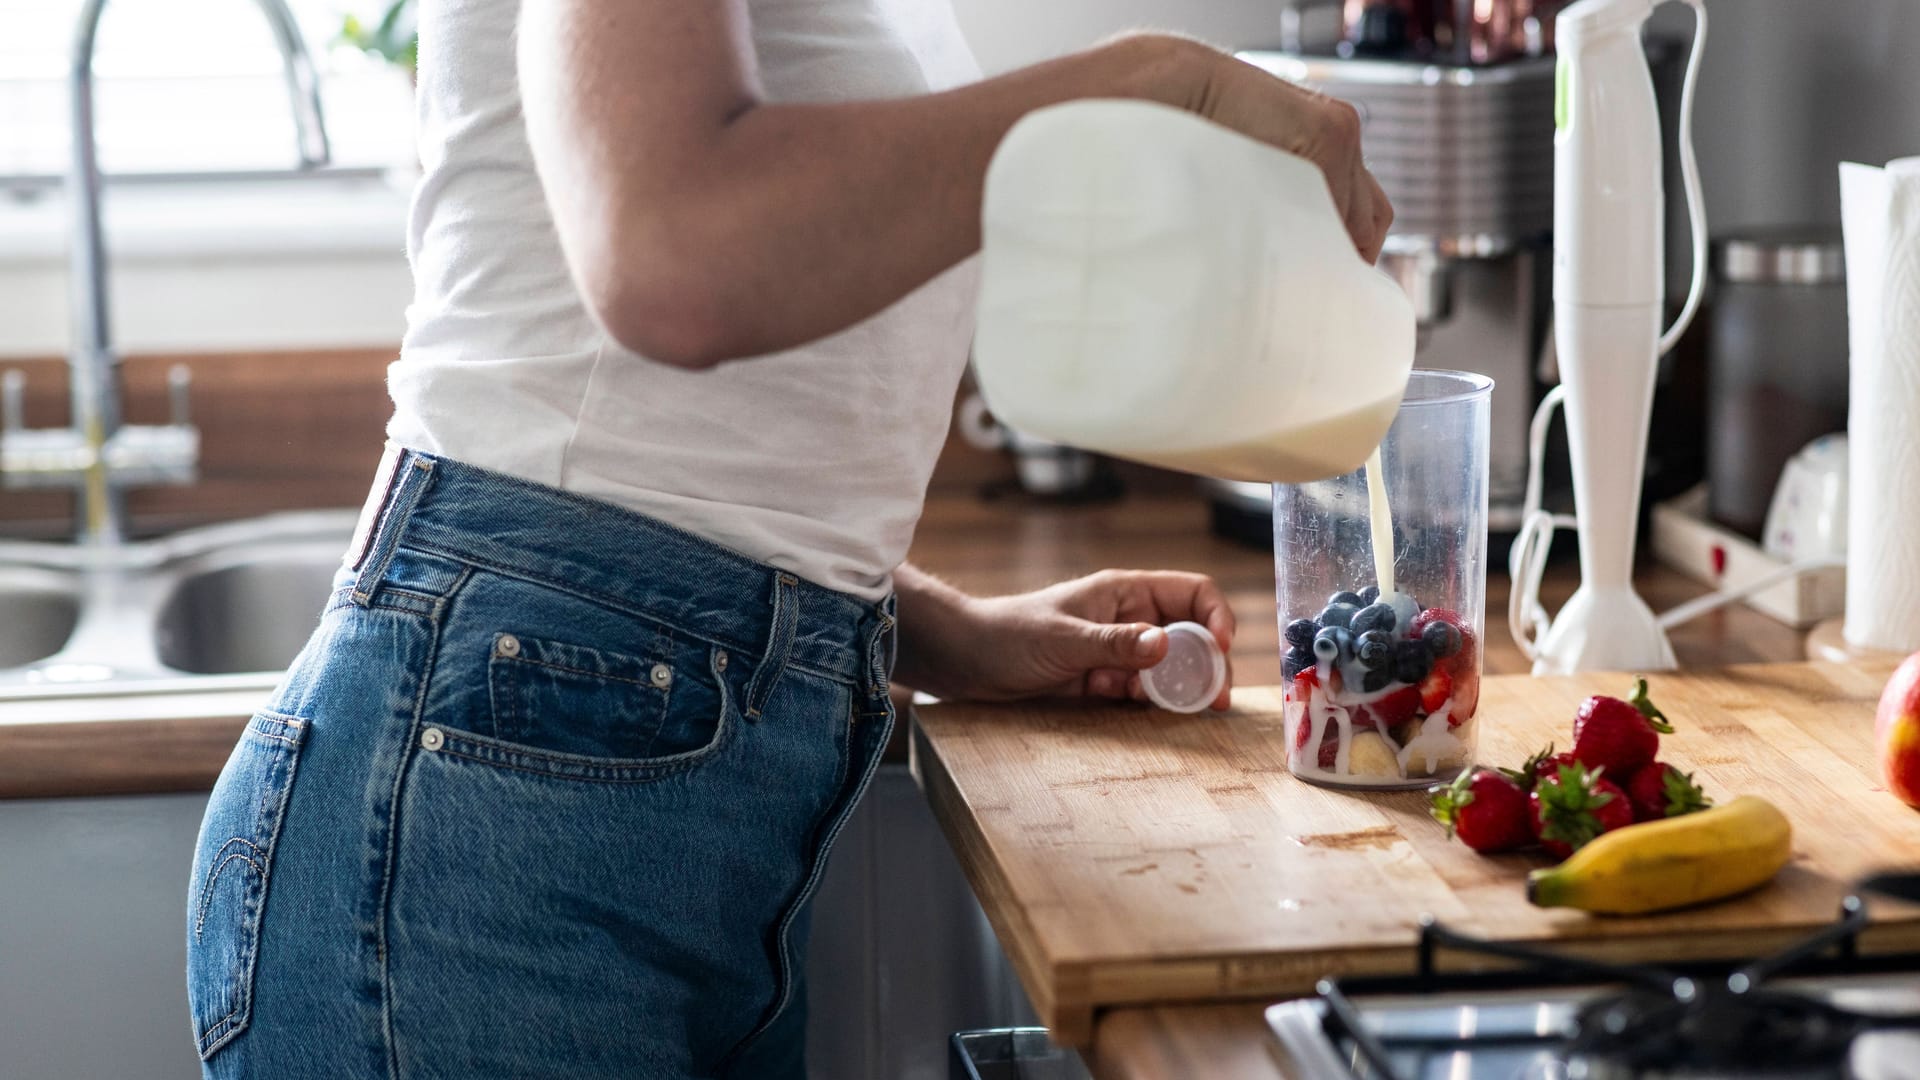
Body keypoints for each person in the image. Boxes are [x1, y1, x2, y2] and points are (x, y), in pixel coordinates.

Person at [184, 1, 1392, 1077]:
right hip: (488, 822)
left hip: (645, 780)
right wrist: (1145, 79)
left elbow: (697, 450)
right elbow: (673, 251)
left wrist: (931, 629)